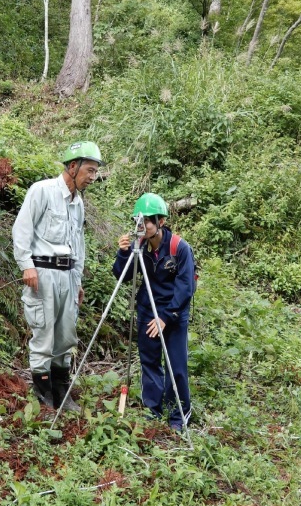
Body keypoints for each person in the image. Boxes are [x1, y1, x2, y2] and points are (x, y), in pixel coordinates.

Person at [12, 141, 104, 411]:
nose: (92, 177)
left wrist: (77, 281)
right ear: (72, 166)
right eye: (89, 170)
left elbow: (79, 246)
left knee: (65, 336)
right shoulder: (42, 191)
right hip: (42, 272)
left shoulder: (78, 204)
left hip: (67, 276)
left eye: (95, 172)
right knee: (43, 335)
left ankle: (62, 392)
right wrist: (26, 265)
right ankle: (44, 396)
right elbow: (22, 229)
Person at [112, 193, 195, 430]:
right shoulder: (139, 246)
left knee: (175, 365)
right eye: (140, 221)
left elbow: (185, 287)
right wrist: (124, 253)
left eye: (148, 221)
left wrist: (166, 318)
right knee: (149, 361)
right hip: (148, 310)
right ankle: (154, 409)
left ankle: (179, 414)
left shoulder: (179, 247)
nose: (143, 226)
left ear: (161, 221)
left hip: (173, 313)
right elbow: (122, 275)